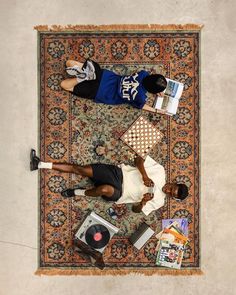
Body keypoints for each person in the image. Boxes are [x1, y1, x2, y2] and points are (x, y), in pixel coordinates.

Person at [30, 149, 188, 215]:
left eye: (171, 194)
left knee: (104, 189)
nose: (168, 191)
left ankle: (76, 192)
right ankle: (39, 164)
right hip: (118, 174)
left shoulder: (159, 201)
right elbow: (138, 159)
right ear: (174, 183)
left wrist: (142, 202)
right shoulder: (160, 171)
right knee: (81, 169)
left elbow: (135, 210)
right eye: (171, 188)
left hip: (120, 194)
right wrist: (145, 176)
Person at [60, 59, 167, 114]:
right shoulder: (140, 97)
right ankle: (82, 78)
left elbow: (149, 78)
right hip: (100, 92)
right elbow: (142, 106)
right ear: (151, 90)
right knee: (64, 85)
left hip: (104, 76)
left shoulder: (143, 74)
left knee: (69, 62)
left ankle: (86, 73)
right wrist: (157, 110)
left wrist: (155, 85)